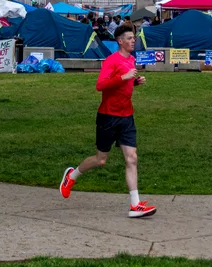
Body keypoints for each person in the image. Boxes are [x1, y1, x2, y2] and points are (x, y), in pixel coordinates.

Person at [59, 24, 155, 218]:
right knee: (101, 160)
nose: (133, 40)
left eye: (133, 38)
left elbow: (125, 83)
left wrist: (135, 81)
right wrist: (123, 77)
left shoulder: (132, 60)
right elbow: (100, 85)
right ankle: (72, 176)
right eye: (129, 38)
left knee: (132, 158)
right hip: (108, 117)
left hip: (127, 116)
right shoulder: (111, 61)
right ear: (120, 41)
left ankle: (135, 205)